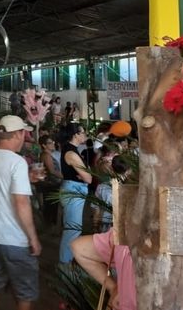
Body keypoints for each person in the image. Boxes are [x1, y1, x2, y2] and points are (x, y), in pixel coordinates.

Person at [0, 115, 41, 310]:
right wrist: (33, 237)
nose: (24, 137)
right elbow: (21, 202)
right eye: (23, 133)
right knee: (25, 293)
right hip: (15, 239)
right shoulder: (17, 162)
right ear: (18, 134)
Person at [72, 228, 135, 310]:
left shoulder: (124, 233)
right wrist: (113, 288)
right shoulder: (124, 234)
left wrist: (113, 288)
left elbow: (79, 248)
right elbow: (79, 248)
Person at [58, 123, 93, 263]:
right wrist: (85, 174)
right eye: (83, 132)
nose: (85, 135)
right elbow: (89, 178)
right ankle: (65, 264)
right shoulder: (71, 153)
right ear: (75, 135)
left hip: (73, 188)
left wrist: (85, 173)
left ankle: (68, 261)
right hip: (73, 190)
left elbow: (86, 173)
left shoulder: (71, 150)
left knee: (73, 228)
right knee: (72, 229)